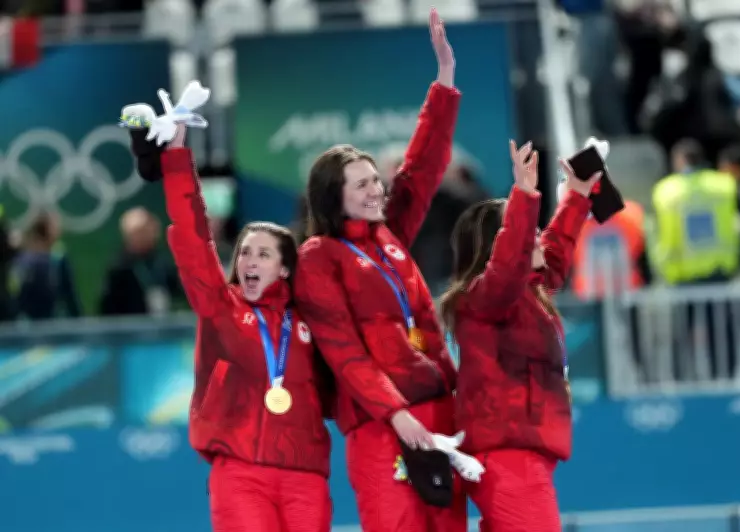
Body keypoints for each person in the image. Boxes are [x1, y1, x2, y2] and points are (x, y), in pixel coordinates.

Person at [292, 8, 466, 532]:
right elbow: (344, 350)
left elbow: (421, 167)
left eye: (375, 180)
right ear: (333, 195)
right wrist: (395, 415)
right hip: (380, 424)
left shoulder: (389, 235)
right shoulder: (318, 256)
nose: (377, 190)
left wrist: (444, 80)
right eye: (362, 184)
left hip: (437, 409)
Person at [141, 121, 332, 531]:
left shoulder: (310, 319)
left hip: (306, 472)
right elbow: (194, 241)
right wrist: (177, 159)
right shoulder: (221, 308)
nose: (249, 261)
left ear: (284, 268)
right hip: (241, 470)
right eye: (245, 252)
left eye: (263, 254)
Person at [440, 141, 600, 531]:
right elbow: (508, 267)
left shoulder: (529, 291)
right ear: (500, 245)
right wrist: (524, 197)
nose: (539, 235)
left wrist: (577, 196)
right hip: (508, 455)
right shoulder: (482, 298)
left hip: (523, 452)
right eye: (529, 230)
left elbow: (555, 251)